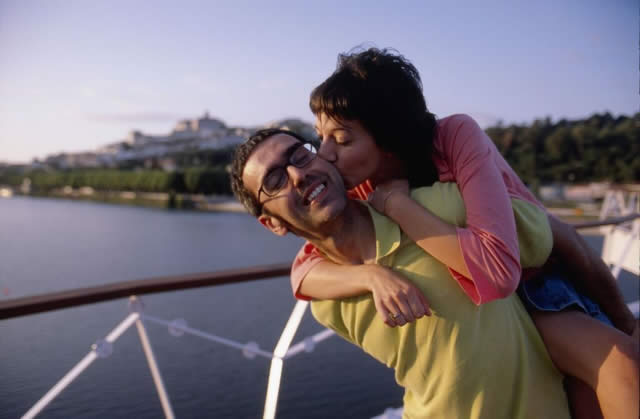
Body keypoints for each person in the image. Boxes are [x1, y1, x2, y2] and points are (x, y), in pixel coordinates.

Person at [291, 47, 638, 418]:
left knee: (622, 368)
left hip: (538, 284)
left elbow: (518, 259)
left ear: (388, 138)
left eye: (341, 140)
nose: (325, 154)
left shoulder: (453, 137)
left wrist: (398, 207)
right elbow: (303, 270)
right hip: (484, 317)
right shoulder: (354, 182)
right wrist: (370, 275)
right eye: (320, 137)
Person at [230, 129, 575, 418]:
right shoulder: (327, 304)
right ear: (271, 223)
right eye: (275, 180)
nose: (297, 174)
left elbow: (540, 236)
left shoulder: (432, 208)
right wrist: (370, 275)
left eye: (300, 155)